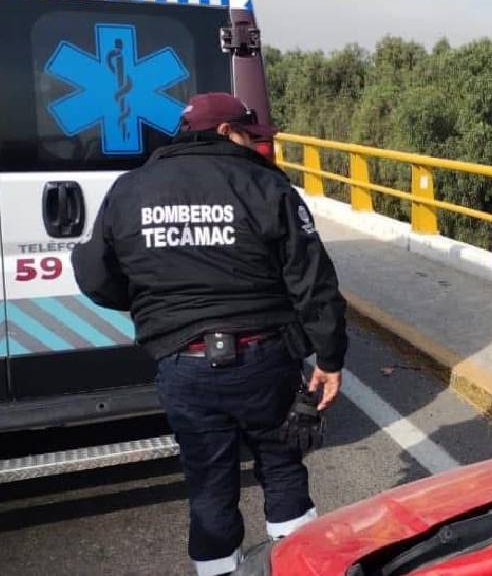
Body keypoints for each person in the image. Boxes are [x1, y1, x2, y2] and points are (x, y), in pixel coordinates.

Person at [72, 93, 347, 576]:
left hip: (183, 364)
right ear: (225, 133)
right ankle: (297, 567)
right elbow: (312, 280)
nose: (255, 145)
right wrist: (330, 358)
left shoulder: (130, 189)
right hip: (265, 359)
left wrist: (156, 307)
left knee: (209, 486)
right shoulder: (265, 185)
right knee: (281, 467)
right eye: (249, 135)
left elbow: (96, 277)